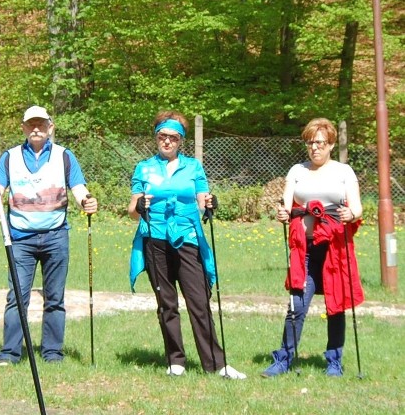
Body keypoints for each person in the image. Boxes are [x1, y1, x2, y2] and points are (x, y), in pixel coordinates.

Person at [0, 105, 97, 365]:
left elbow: (77, 188)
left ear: (50, 127)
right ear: (24, 128)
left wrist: (86, 201)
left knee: (55, 298)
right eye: (31, 124)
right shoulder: (10, 157)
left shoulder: (65, 156)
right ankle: (9, 353)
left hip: (56, 235)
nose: (36, 128)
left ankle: (52, 353)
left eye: (41, 123)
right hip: (20, 238)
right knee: (17, 297)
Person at [127, 110, 245, 379]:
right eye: (162, 136)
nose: (167, 141)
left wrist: (211, 204)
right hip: (155, 237)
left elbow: (203, 199)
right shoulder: (143, 168)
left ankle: (216, 363)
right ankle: (175, 360)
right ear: (156, 137)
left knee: (199, 301)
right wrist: (139, 205)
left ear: (181, 141)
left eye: (173, 138)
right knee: (166, 303)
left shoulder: (193, 167)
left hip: (187, 238)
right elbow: (132, 211)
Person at [262, 117, 364, 378]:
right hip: (304, 251)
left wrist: (349, 215)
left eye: (319, 142)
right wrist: (283, 213)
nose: (314, 147)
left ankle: (334, 361)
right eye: (310, 142)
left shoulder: (344, 172)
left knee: (336, 305)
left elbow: (357, 208)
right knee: (297, 305)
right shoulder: (297, 171)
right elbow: (286, 205)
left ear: (330, 144)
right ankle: (283, 358)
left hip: (334, 250)